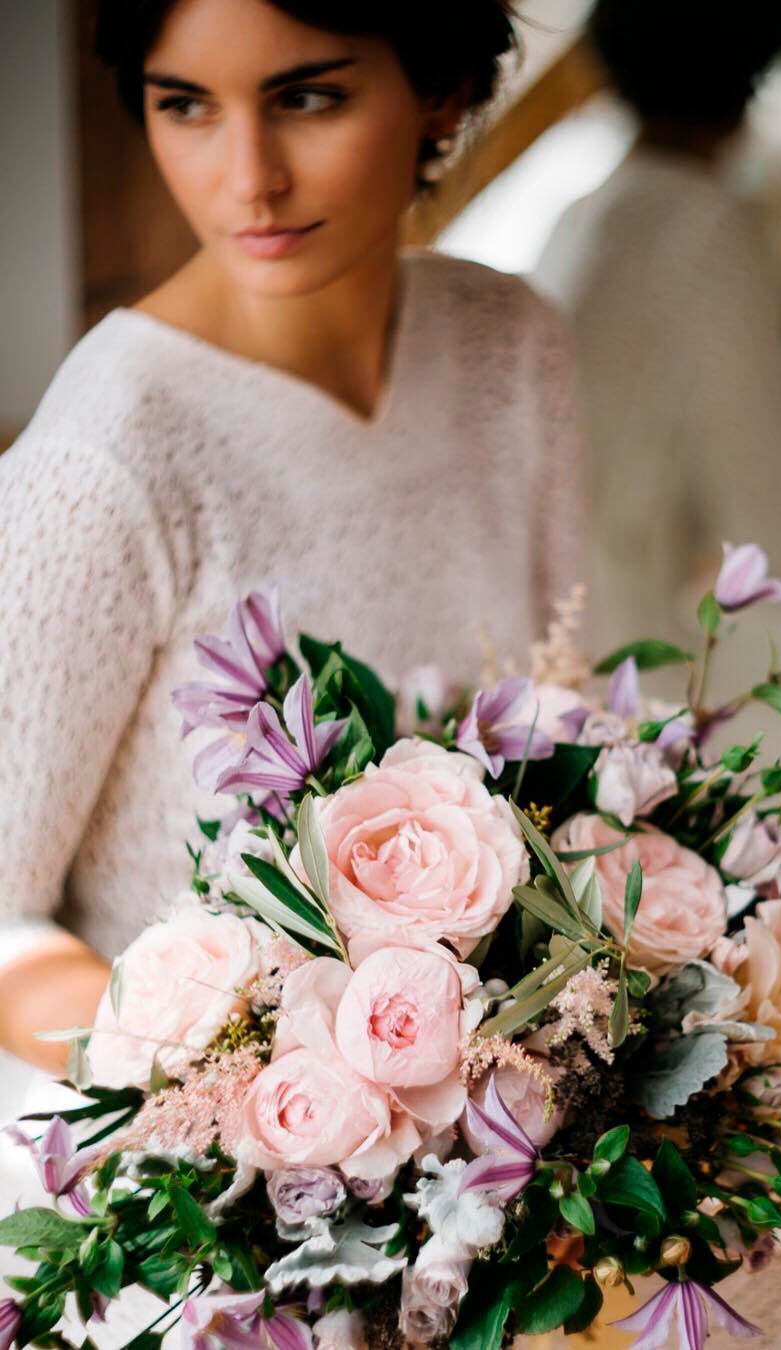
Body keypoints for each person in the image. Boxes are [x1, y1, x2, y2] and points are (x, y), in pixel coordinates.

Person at [0, 0, 583, 1073]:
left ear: (440, 91)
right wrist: (249, 1110)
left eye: (306, 98)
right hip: (206, 1163)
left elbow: (572, 714)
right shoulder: (103, 457)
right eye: (187, 106)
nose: (247, 178)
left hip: (519, 1088)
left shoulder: (512, 345)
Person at [532, 0, 781, 656]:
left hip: (546, 634)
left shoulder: (580, 219)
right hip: (628, 651)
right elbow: (765, 532)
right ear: (754, 76)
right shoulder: (707, 225)